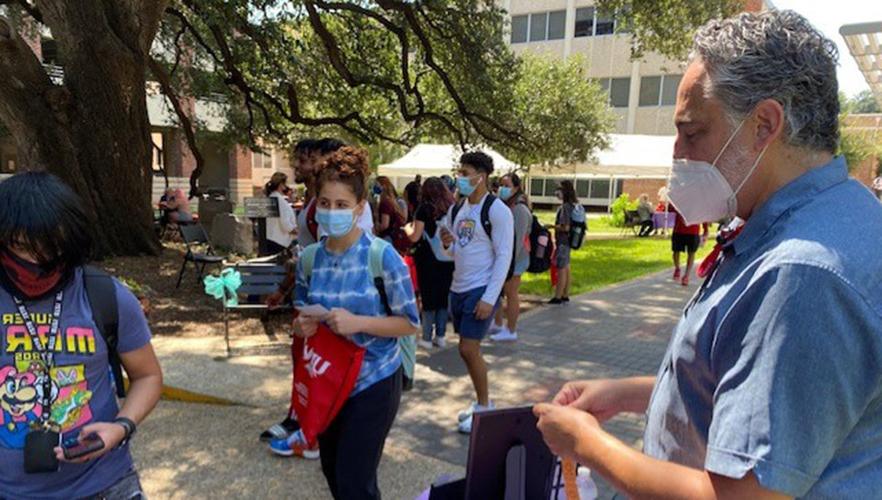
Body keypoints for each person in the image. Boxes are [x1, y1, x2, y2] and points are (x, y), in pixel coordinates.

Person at [534, 10, 882, 499]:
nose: (677, 152)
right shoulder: (836, 216)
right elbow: (756, 393)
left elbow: (743, 495)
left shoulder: (801, 274)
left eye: (693, 132)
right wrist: (629, 393)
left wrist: (587, 444)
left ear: (764, 124)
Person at [0, 172, 162, 498]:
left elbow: (147, 376)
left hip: (105, 483)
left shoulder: (106, 295)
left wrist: (121, 427)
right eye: (20, 246)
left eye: (49, 247)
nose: (35, 261)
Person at [271, 146, 419, 500]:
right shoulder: (310, 259)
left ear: (359, 208)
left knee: (356, 484)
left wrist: (359, 322)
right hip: (328, 383)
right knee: (333, 474)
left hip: (375, 381)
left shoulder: (382, 257)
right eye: (324, 203)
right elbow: (300, 316)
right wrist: (302, 327)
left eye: (341, 205)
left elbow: (410, 323)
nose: (332, 212)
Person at [440, 151, 513, 434]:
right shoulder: (457, 209)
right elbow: (458, 250)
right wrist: (448, 243)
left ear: (481, 177)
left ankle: (484, 407)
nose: (460, 178)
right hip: (458, 288)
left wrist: (489, 297)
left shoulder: (497, 210)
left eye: (465, 172)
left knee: (468, 348)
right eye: (459, 172)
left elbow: (504, 256)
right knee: (468, 351)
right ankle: (480, 402)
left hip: (480, 289)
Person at [405, 177, 455, 349]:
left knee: (428, 298)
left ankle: (426, 337)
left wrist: (408, 229)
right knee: (442, 298)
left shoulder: (423, 209)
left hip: (427, 260)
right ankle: (441, 336)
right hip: (448, 258)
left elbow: (415, 236)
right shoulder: (451, 208)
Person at [489, 173, 531, 342]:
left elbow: (518, 240)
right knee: (499, 291)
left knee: (511, 293)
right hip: (506, 258)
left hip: (515, 259)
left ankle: (511, 328)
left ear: (516, 187)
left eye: (506, 185)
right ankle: (498, 323)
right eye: (501, 184)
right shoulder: (507, 206)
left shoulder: (520, 210)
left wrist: (508, 263)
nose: (502, 188)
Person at [549, 180, 579, 304]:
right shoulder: (574, 205)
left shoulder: (565, 207)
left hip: (563, 241)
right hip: (569, 241)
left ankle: (558, 296)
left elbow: (565, 227)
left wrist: (551, 226)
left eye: (559, 190)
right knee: (566, 267)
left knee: (561, 268)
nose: (557, 193)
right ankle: (565, 294)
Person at [669, 203, 709, 286]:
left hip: (693, 231)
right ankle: (677, 268)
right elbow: (670, 209)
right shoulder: (680, 199)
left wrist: (705, 229)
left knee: (691, 253)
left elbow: (703, 215)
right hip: (679, 230)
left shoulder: (699, 203)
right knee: (676, 251)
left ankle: (686, 275)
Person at [263, 172, 298, 255]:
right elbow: (286, 224)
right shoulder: (280, 201)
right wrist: (296, 231)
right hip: (279, 242)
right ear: (281, 185)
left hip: (270, 239)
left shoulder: (271, 198)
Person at [374, 176, 410, 254]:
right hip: (395, 239)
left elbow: (385, 225)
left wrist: (375, 230)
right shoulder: (391, 201)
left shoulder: (385, 203)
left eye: (376, 184)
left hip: (388, 238)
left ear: (382, 186)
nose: (374, 187)